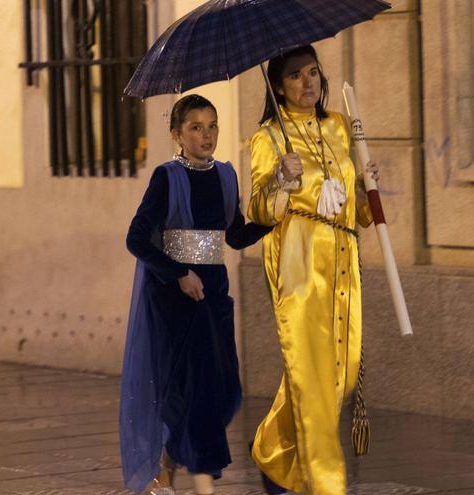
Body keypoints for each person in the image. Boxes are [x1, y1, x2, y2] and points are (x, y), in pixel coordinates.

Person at [119, 94, 270, 495]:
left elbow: (235, 235)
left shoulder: (226, 175)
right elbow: (137, 239)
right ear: (177, 135)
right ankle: (192, 481)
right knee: (189, 388)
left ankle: (166, 471)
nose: (206, 135)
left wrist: (276, 216)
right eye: (195, 127)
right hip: (175, 298)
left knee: (221, 388)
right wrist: (179, 273)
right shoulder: (166, 177)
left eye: (212, 125)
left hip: (214, 293)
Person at [247, 45, 380, 495]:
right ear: (279, 86)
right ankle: (328, 486)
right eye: (296, 76)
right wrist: (282, 181)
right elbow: (260, 210)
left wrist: (366, 189)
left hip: (342, 261)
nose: (308, 83)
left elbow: (355, 207)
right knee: (314, 379)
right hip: (299, 263)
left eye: (313, 73)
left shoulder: (339, 127)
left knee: (336, 374)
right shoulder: (268, 137)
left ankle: (271, 450)